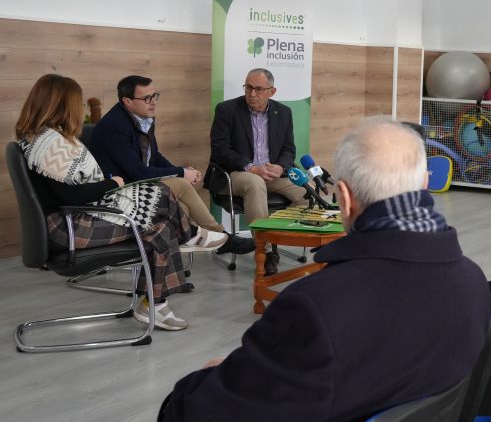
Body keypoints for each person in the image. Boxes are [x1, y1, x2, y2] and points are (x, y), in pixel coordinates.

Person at [82, 116, 491, 422]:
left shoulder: (319, 307)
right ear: (424, 182)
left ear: (344, 198)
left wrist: (208, 378)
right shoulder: (474, 283)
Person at [15, 75, 227, 331]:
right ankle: (191, 235)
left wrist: (109, 184)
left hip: (77, 219)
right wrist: (111, 184)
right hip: (68, 228)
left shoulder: (44, 137)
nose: (79, 108)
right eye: (77, 103)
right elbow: (71, 196)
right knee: (161, 197)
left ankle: (154, 304)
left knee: (162, 229)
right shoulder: (50, 144)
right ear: (62, 105)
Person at [90, 75, 253, 256]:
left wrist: (181, 172)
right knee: (181, 185)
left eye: (155, 96)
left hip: (137, 185)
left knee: (182, 206)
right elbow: (138, 172)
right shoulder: (114, 126)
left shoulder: (141, 117)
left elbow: (154, 156)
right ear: (127, 101)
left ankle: (173, 264)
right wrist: (181, 173)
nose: (153, 102)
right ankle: (223, 237)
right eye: (147, 98)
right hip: (118, 192)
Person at [208, 68, 307, 273]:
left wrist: (280, 166)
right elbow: (220, 150)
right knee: (255, 183)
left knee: (306, 190)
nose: (252, 94)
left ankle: (281, 237)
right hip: (236, 174)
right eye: (248, 88)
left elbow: (289, 149)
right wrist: (251, 168)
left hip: (272, 173)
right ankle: (266, 250)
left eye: (259, 89)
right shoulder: (227, 110)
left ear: (272, 91)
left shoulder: (283, 112)